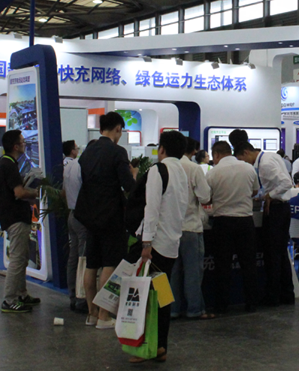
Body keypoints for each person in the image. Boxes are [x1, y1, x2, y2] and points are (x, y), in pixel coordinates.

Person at [131, 131, 189, 363]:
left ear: (162, 149)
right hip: (172, 243)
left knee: (146, 298)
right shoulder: (182, 171)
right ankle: (161, 346)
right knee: (163, 297)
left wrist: (146, 243)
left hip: (155, 245)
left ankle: (148, 346)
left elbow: (152, 208)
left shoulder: (158, 170)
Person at [75, 112, 137, 328]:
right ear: (118, 128)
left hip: (89, 215)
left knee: (92, 264)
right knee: (110, 264)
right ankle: (104, 315)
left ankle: (91, 314)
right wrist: (134, 175)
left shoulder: (88, 151)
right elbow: (128, 186)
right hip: (111, 215)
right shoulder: (118, 152)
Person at [235, 141, 296, 307]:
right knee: (280, 253)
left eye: (242, 160)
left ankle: (273, 296)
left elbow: (286, 183)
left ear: (246, 152)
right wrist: (264, 196)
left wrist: (269, 195)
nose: (244, 164)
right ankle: (286, 294)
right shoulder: (269, 157)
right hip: (280, 208)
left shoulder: (265, 163)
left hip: (276, 209)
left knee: (273, 254)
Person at [205, 140, 260, 314]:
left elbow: (207, 197)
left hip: (223, 222)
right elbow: (254, 191)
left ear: (216, 155)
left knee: (223, 265)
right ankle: (251, 302)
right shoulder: (248, 168)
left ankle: (222, 305)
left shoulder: (213, 173)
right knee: (248, 263)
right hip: (245, 221)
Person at [0, 129, 40, 313]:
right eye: (22, 142)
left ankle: (21, 293)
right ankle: (10, 299)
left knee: (22, 258)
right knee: (17, 259)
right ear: (15, 146)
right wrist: (35, 192)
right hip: (15, 217)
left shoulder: (3, 163)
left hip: (11, 215)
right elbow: (19, 193)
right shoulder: (9, 165)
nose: (24, 145)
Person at [171, 137, 212, 320]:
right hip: (190, 227)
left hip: (170, 229)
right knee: (193, 272)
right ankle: (194, 309)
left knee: (172, 273)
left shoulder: (165, 167)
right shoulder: (193, 169)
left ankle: (172, 309)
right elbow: (205, 197)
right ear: (193, 151)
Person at [62, 140, 87, 313]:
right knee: (83, 258)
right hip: (83, 217)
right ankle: (81, 299)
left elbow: (64, 192)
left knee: (73, 258)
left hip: (72, 214)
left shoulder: (69, 166)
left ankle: (73, 295)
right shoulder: (83, 167)